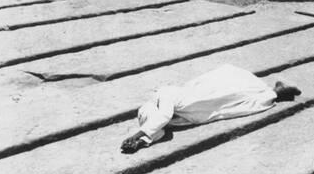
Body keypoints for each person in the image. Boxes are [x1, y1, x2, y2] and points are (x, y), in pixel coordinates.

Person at [121, 64, 301, 153]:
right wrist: (141, 142)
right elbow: (157, 129)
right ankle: (277, 93)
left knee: (235, 93)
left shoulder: (164, 95)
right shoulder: (162, 119)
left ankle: (275, 91)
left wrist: (135, 136)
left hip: (201, 98)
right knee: (239, 103)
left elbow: (161, 118)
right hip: (202, 109)